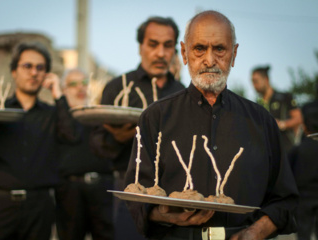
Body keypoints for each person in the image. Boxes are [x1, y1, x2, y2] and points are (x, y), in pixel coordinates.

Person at [124, 10, 298, 240]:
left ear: (234, 54)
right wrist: (164, 215)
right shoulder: (155, 117)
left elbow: (285, 199)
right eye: (199, 49)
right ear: (184, 53)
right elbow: (136, 198)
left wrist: (256, 231)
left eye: (219, 49)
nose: (209, 59)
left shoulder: (261, 121)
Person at [0, 42, 78, 240]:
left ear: (46, 74)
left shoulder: (52, 114)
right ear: (14, 71)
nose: (34, 73)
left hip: (39, 208)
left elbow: (73, 136)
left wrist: (58, 94)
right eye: (27, 66)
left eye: (40, 68)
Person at [90, 16, 185, 240]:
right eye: (153, 44)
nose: (161, 53)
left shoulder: (184, 95)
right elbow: (97, 144)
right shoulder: (119, 87)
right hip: (128, 190)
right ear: (140, 46)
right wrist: (118, 137)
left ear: (175, 49)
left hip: (175, 193)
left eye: (168, 45)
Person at [54, 68, 114, 240]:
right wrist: (60, 99)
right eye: (73, 84)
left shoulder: (99, 113)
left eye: (84, 82)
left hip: (103, 189)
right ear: (64, 90)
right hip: (70, 192)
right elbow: (70, 134)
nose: (80, 88)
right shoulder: (57, 115)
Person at [251, 65, 302, 153]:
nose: (254, 85)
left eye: (256, 81)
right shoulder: (256, 104)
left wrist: (283, 124)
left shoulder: (285, 97)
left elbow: (299, 118)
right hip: (267, 153)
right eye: (252, 82)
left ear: (266, 79)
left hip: (287, 149)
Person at [288, 95, 318, 240]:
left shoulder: (297, 150)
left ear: (304, 127)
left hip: (303, 199)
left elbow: (289, 175)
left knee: (303, 234)